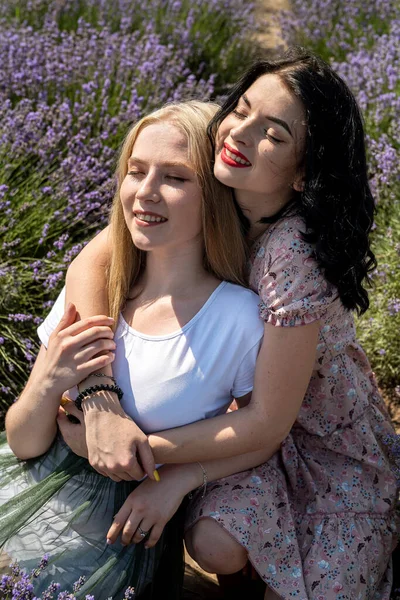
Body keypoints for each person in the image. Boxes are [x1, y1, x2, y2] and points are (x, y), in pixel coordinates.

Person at [61, 47, 399, 599]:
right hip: (243, 430)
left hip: (323, 444)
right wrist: (100, 398)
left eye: (274, 134)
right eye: (240, 109)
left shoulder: (295, 256)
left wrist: (146, 451)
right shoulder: (217, 180)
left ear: (302, 173)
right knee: (216, 543)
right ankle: (248, 570)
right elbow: (94, 259)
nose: (239, 134)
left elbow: (269, 422)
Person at [0, 100, 269, 599]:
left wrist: (176, 480)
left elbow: (262, 435)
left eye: (175, 178)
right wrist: (47, 384)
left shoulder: (238, 318)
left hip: (107, 545)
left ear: (213, 195)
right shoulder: (101, 291)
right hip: (20, 501)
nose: (145, 192)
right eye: (135, 171)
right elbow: (22, 443)